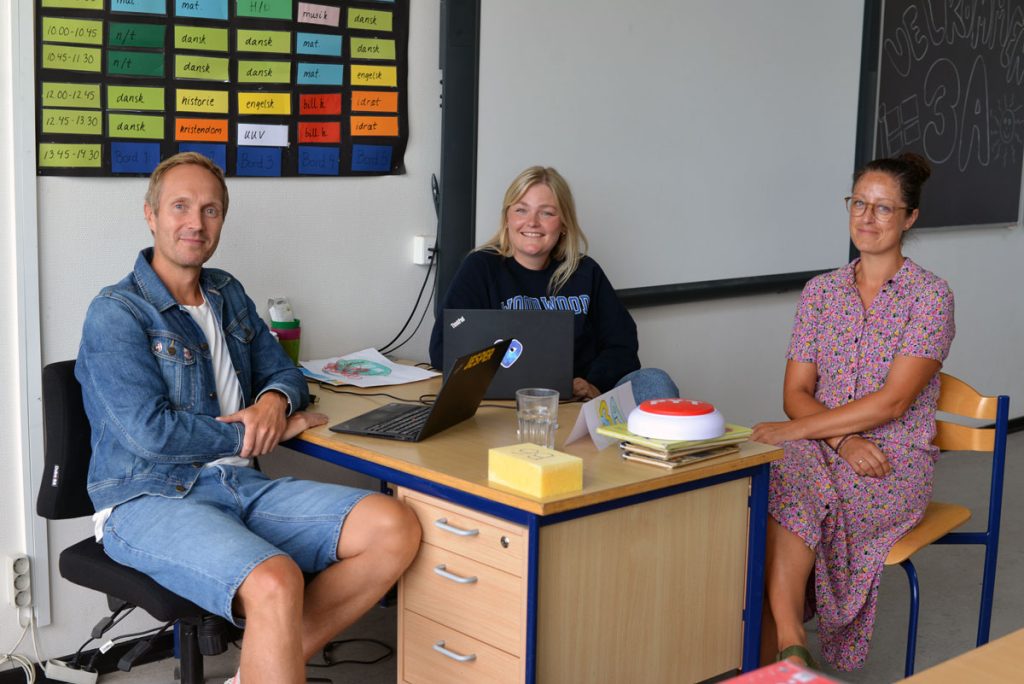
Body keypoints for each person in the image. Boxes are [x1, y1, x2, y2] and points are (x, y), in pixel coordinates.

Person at [75, 152, 422, 684]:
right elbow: (149, 433)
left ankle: (261, 667)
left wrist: (274, 404)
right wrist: (253, 431)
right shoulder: (116, 312)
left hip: (239, 482)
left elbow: (284, 374)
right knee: (277, 579)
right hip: (148, 498)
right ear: (151, 214)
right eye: (181, 207)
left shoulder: (226, 292)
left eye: (211, 210)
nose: (196, 222)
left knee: (394, 526)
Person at [751, 152, 955, 671]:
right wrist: (840, 441)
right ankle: (789, 650)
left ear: (910, 218)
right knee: (777, 479)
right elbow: (795, 390)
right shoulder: (821, 292)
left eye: (883, 208)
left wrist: (797, 432)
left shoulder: (930, 297)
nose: (866, 217)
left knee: (782, 482)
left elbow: (893, 402)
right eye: (858, 203)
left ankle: (777, 653)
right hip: (828, 448)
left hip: (894, 462)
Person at [428, 165, 678, 403]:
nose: (532, 222)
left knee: (655, 381)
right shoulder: (480, 268)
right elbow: (443, 350)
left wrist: (591, 383)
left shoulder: (585, 271)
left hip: (581, 399)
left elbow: (622, 345)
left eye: (546, 212)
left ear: (564, 223)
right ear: (507, 218)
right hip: (509, 401)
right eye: (521, 210)